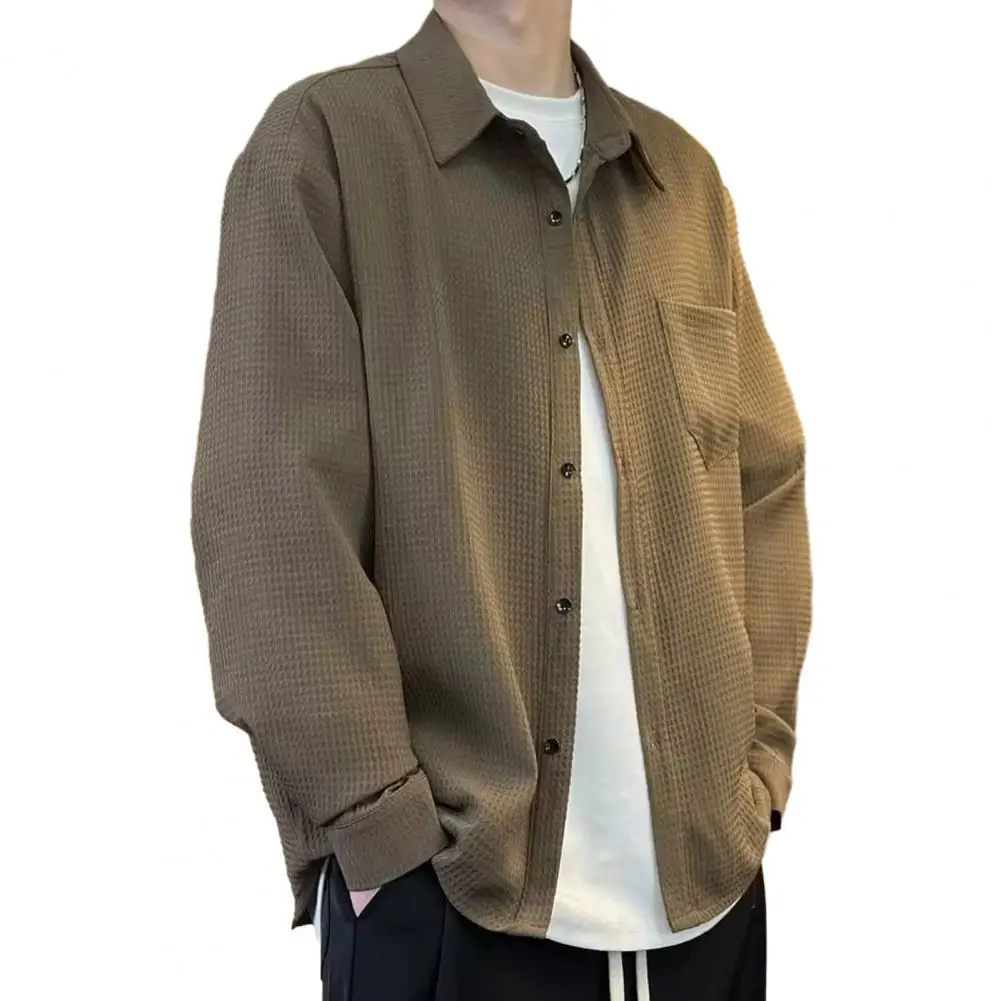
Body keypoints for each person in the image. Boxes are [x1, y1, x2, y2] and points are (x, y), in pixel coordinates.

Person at [189, 1, 812, 998]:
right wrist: (379, 829)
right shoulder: (327, 146)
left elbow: (761, 477)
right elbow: (272, 519)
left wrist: (759, 764)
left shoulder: (681, 180)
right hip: (448, 894)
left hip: (708, 892)